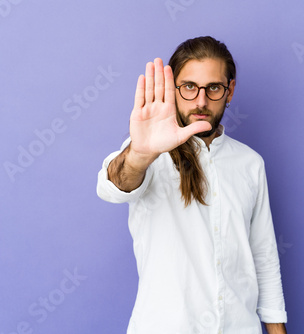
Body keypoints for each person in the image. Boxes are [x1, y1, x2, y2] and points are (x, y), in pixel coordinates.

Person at [97, 36, 288, 334]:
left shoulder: (251, 163)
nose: (200, 101)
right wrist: (140, 154)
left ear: (230, 91)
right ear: (173, 90)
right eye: (189, 87)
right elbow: (112, 187)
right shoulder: (150, 155)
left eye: (213, 87)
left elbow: (264, 257)